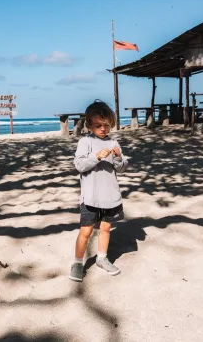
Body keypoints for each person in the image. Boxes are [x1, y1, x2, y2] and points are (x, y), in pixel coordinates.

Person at [69, 100, 128, 282]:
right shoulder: (85, 141)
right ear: (88, 125)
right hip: (91, 197)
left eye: (106, 125)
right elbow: (79, 165)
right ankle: (78, 263)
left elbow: (122, 168)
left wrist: (118, 158)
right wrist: (96, 156)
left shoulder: (113, 142)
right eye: (98, 125)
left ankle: (102, 258)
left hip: (110, 196)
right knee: (86, 231)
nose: (103, 129)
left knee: (106, 228)